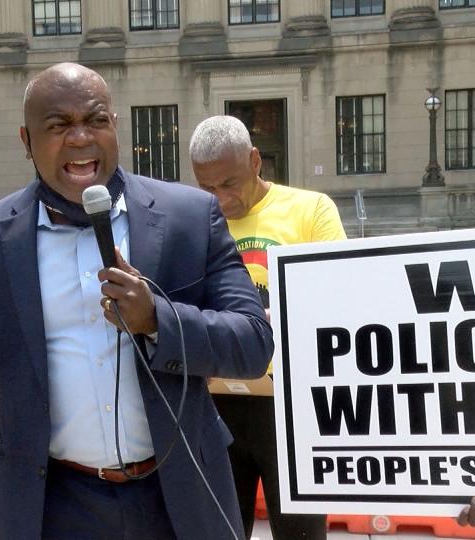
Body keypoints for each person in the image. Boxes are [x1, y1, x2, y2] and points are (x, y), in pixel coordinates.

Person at [0, 63, 274, 540]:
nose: (81, 137)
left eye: (95, 120)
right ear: (27, 142)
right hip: (54, 506)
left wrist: (158, 320)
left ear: (115, 126)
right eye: (59, 126)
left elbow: (253, 343)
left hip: (180, 497)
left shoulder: (190, 217)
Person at [189, 115, 347, 540]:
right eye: (207, 188)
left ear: (256, 161)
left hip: (291, 408)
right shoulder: (192, 221)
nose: (221, 199)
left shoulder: (311, 210)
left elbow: (338, 301)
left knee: (301, 534)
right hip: (217, 405)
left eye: (230, 183)